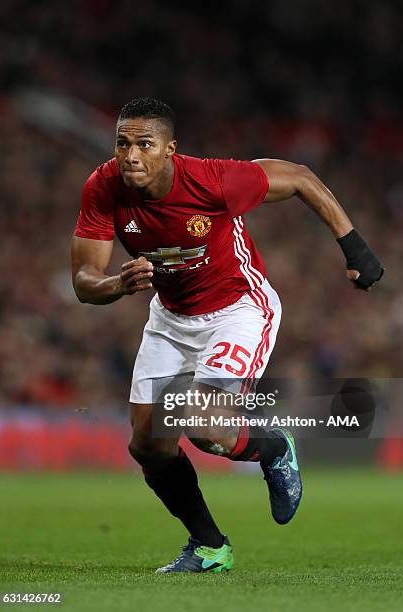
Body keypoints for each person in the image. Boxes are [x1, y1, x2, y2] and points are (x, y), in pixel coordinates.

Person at [71, 97, 384, 573]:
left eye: (144, 144)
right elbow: (83, 282)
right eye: (122, 144)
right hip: (171, 320)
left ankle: (276, 447)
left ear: (169, 149)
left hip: (238, 309)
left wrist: (354, 246)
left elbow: (299, 177)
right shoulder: (103, 187)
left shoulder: (212, 179)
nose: (130, 155)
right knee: (148, 446)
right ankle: (209, 546)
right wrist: (116, 284)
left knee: (203, 424)